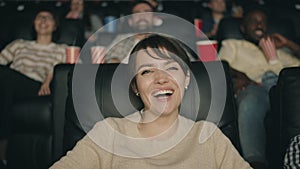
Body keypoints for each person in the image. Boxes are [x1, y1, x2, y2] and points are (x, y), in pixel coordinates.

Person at [50, 34, 251, 169]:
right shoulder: (109, 132)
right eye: (147, 71)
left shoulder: (209, 136)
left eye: (171, 68)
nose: (161, 78)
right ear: (136, 87)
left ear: (186, 79)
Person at [218, 7, 300, 169]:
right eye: (254, 21)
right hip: (255, 88)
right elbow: (221, 65)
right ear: (242, 28)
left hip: (284, 90)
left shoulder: (280, 49)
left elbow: (295, 75)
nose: (259, 25)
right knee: (250, 100)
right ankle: (255, 162)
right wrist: (240, 76)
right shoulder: (233, 44)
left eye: (263, 22)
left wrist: (289, 44)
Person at [0, 9, 66, 167]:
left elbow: (63, 69)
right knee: (6, 80)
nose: (43, 20)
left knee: (7, 78)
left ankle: (1, 150)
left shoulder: (62, 49)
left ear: (55, 26)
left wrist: (48, 80)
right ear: (34, 23)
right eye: (39, 17)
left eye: (48, 17)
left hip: (37, 87)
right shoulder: (19, 44)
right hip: (10, 84)